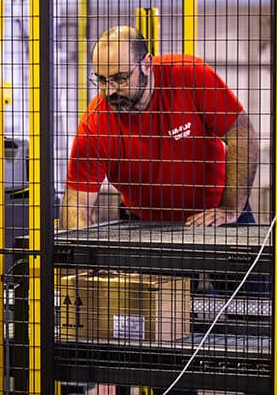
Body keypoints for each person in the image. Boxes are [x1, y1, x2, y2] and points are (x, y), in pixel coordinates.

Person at [59, 26, 259, 395]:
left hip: (218, 216)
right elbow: (76, 203)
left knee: (260, 317)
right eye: (100, 80)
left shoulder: (189, 76)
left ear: (147, 64)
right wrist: (90, 263)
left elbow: (242, 134)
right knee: (162, 346)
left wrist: (231, 207)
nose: (110, 90)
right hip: (149, 230)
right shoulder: (97, 122)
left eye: (120, 77)